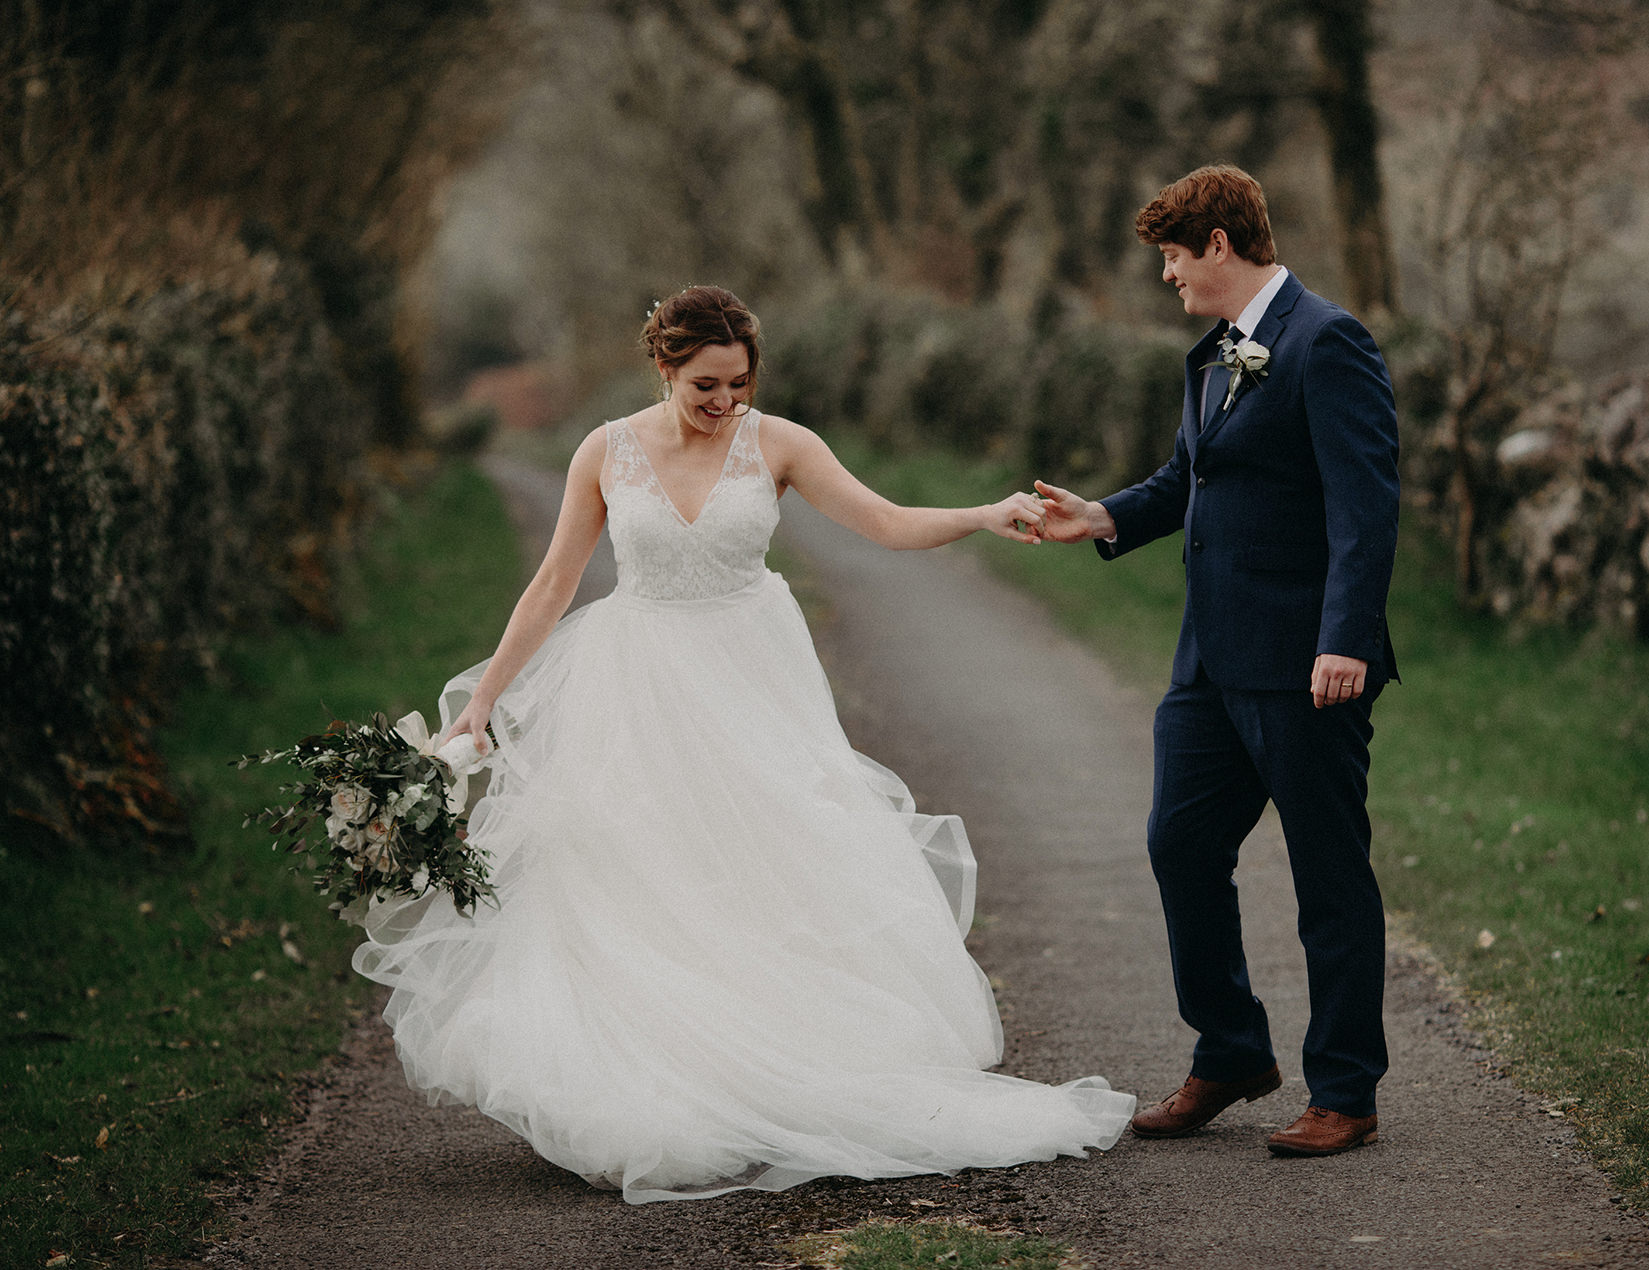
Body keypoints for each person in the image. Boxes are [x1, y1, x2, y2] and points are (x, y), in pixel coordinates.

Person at [352, 285, 1134, 1202]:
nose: (725, 403)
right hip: (635, 681)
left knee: (769, 864)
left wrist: (977, 514)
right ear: (665, 369)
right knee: (636, 876)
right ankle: (652, 1082)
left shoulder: (781, 443)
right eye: (705, 387)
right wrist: (485, 699)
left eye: (738, 383)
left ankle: (780, 1068)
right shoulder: (604, 451)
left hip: (750, 678)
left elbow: (882, 523)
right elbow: (555, 581)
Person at [1036, 165, 1400, 1157]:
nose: (1166, 277)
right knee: (1180, 844)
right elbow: (1188, 479)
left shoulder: (1329, 343)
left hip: (1303, 664)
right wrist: (1102, 514)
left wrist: (1345, 638)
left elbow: (1364, 506)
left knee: (1328, 873)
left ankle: (1345, 1090)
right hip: (1206, 664)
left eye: (1171, 256)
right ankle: (1232, 1048)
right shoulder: (1215, 354)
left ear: (1219, 247)